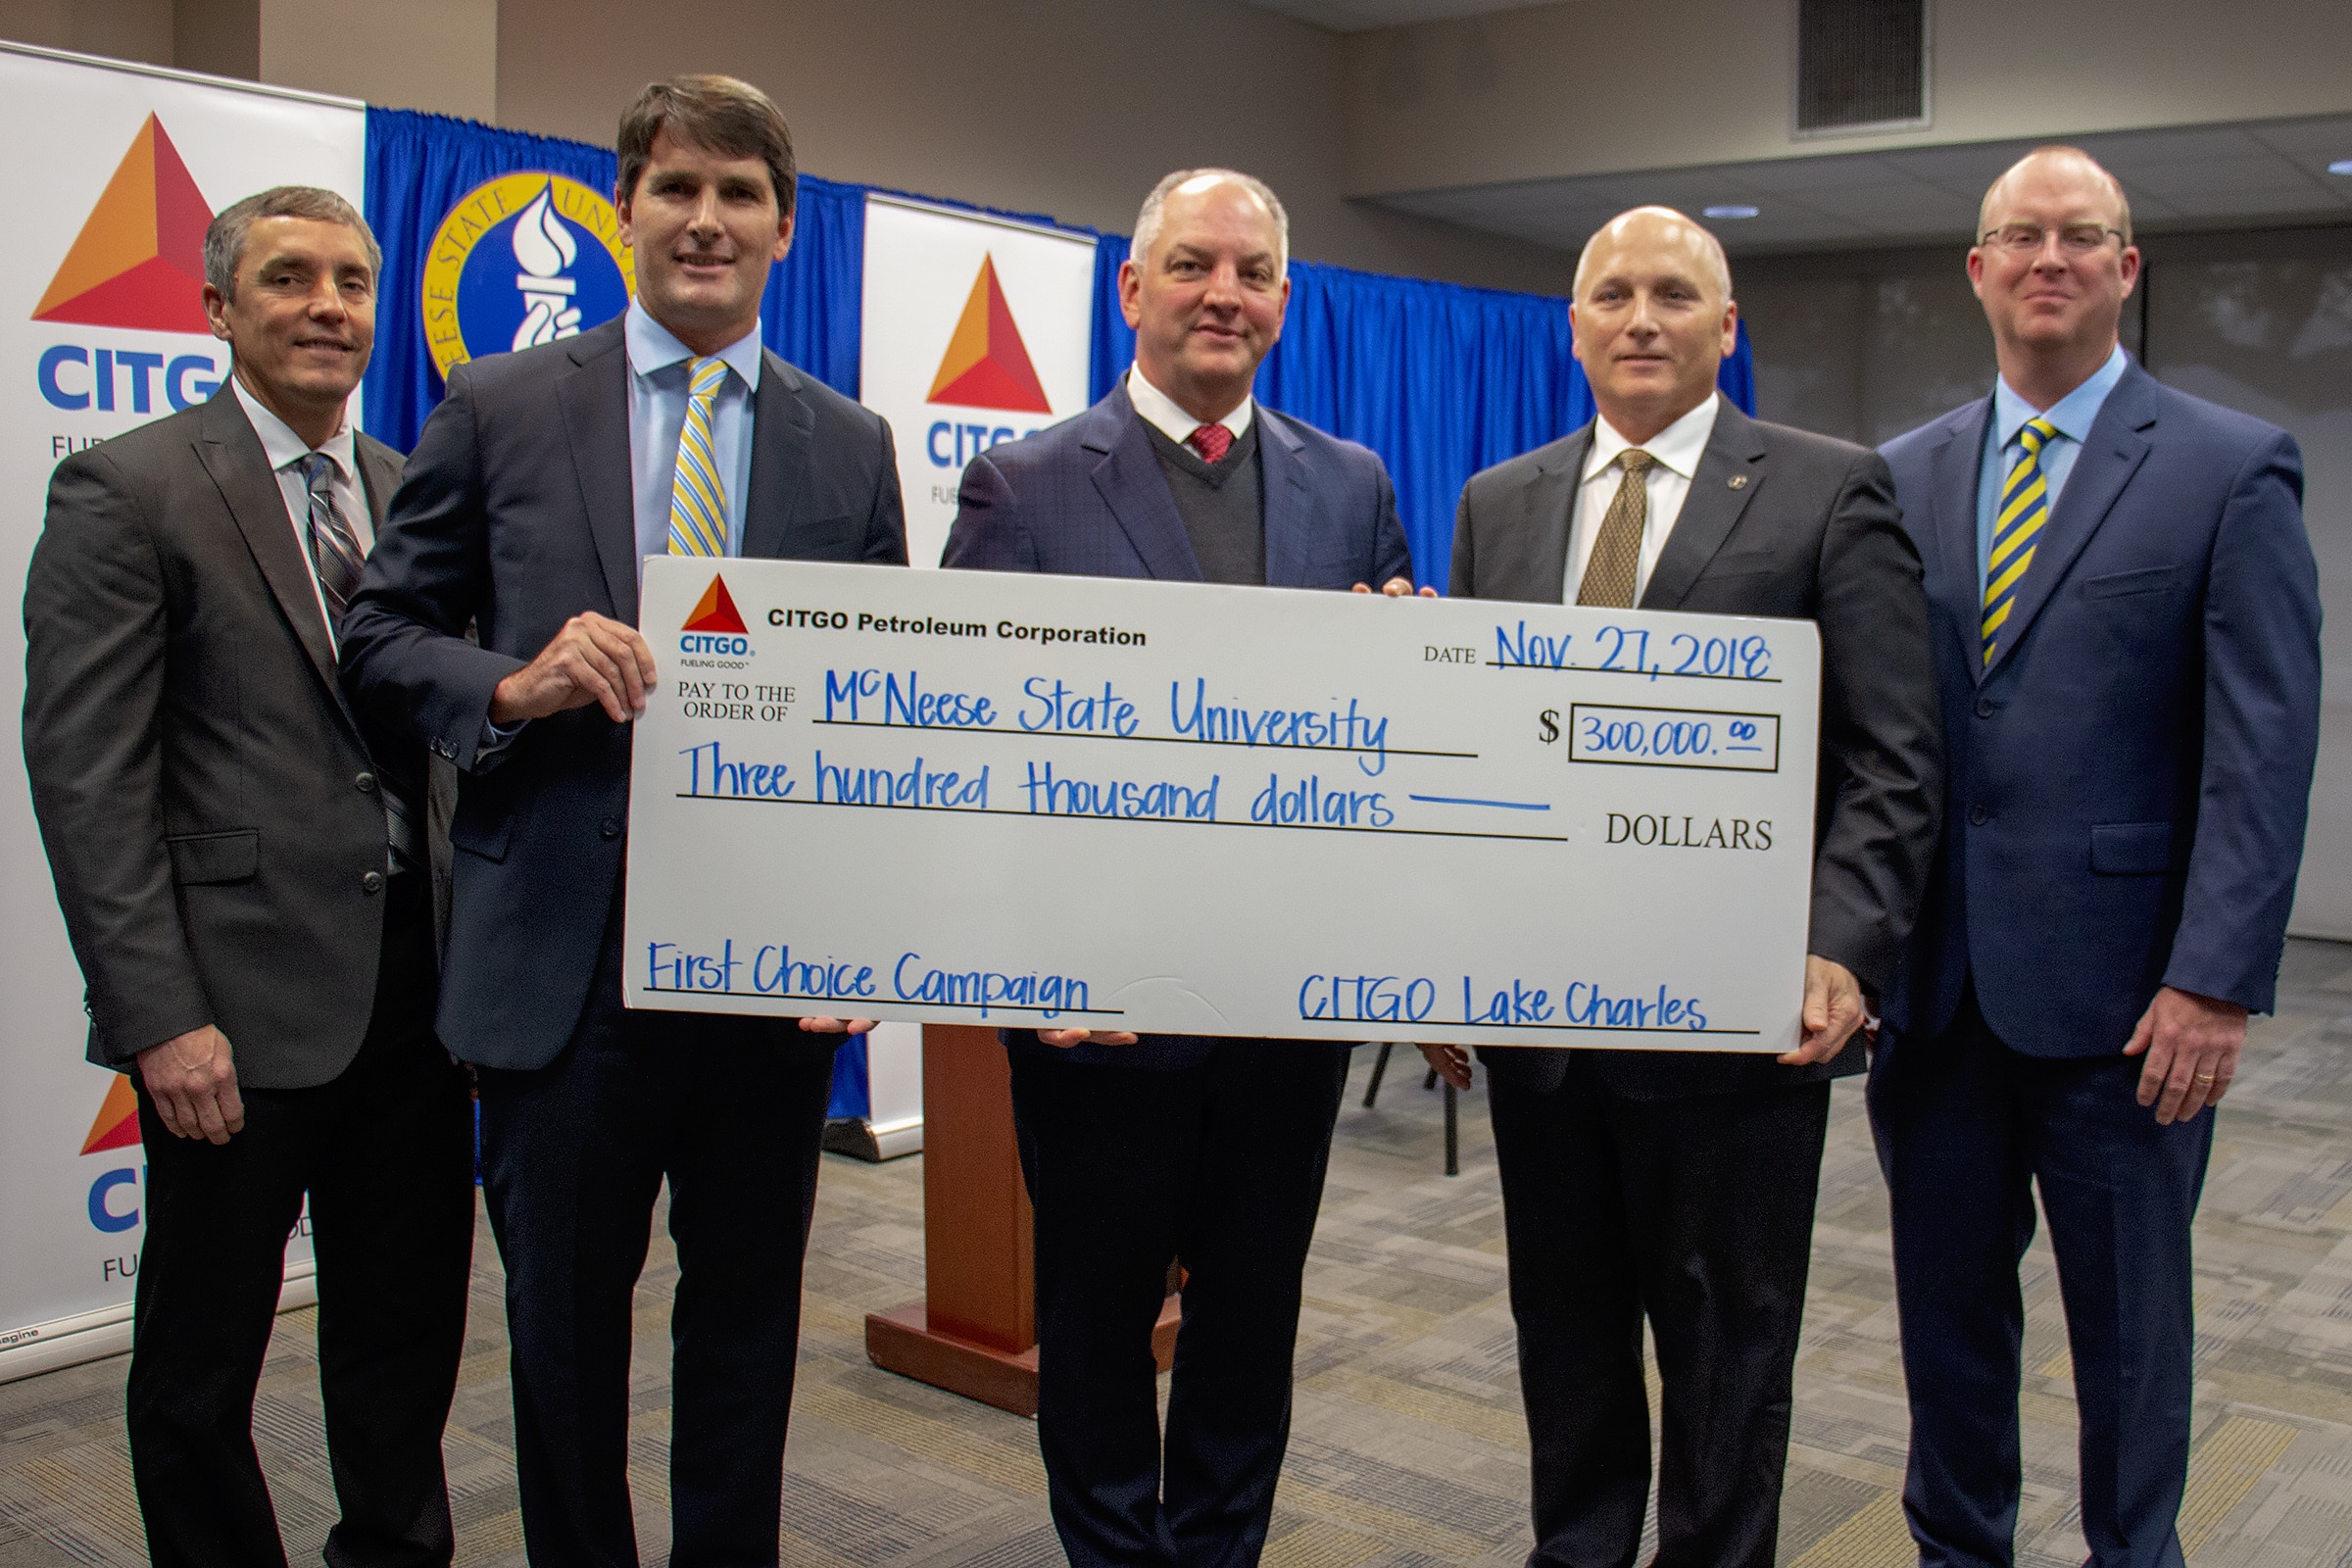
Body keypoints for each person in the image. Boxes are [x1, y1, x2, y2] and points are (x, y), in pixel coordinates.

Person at [339, 75, 905, 1565]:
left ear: (784, 225)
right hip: (557, 973)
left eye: (738, 193)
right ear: (625, 209)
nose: (705, 220)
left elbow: (878, 721)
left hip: (763, 986)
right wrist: (514, 686)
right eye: (676, 188)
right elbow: (381, 637)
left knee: (744, 1343)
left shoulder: (851, 445)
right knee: (565, 1347)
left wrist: (859, 938)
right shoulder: (504, 404)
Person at [1425, 206, 1941, 1568]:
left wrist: (1845, 949)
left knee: (1726, 1358)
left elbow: (1896, 755)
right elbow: (1477, 755)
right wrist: (1431, 951)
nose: (1640, 317)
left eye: (1672, 294)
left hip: (1734, 1031)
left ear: (1728, 327)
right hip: (1543, 1031)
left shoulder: (1831, 488)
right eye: (1611, 294)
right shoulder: (1499, 503)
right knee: (1568, 1338)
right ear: (1575, 325)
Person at [942, 168, 1420, 1568]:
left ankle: (1219, 1551)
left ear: (1284, 300)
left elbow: (1380, 747)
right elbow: (972, 751)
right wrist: (1026, 961)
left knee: (1253, 1317)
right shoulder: (1022, 485)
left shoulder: (1355, 483)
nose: (1227, 293)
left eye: (1255, 271)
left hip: (1287, 1008)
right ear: (1132, 290)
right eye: (1196, 265)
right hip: (1102, 1008)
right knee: (1093, 1328)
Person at [1871, 146, 2322, 1568]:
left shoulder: (2230, 465)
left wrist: (2216, 981)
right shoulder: (1899, 476)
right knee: (1946, 1325)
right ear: (1980, 269)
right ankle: (1960, 1551)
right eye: (2021, 235)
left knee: (2129, 1336)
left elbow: (2263, 749)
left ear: (2128, 268)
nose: (2049, 257)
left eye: (2083, 236)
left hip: (2132, 1010)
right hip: (1935, 1000)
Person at [23, 186, 473, 1568]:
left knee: (404, 1335)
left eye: (350, 280)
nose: (327, 305)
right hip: (233, 1012)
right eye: (288, 279)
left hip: (421, 993)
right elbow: (89, 776)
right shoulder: (130, 487)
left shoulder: (410, 491)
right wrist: (157, 1017)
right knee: (202, 1368)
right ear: (217, 309)